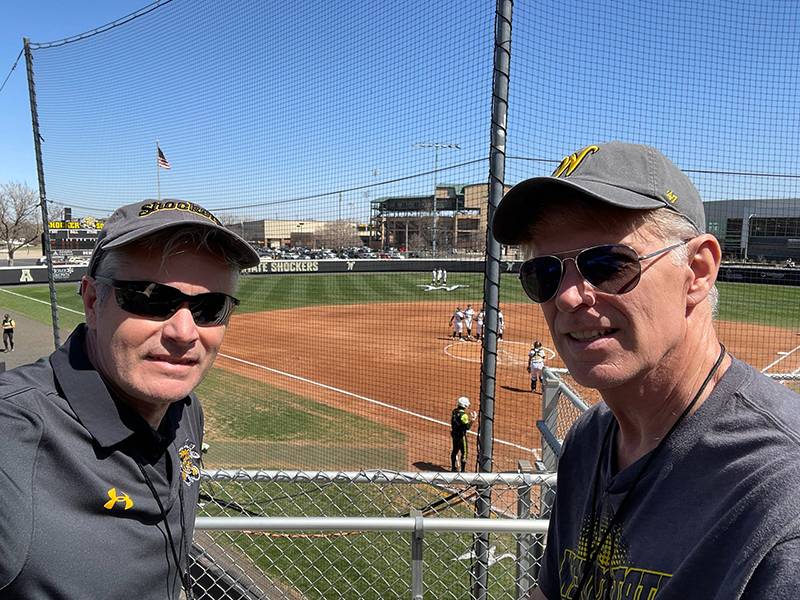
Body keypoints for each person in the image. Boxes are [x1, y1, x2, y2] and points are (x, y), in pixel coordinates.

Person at [491, 141, 800, 599]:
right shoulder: (590, 438)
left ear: (697, 271)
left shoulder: (779, 490)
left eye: (608, 264)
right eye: (545, 273)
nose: (569, 298)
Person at [0, 200, 259, 598]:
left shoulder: (185, 410)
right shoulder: (13, 437)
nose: (185, 333)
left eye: (211, 307)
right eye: (152, 298)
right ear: (91, 301)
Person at [450, 396, 477, 472]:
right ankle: (462, 471)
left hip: (454, 434)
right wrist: (473, 420)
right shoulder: (464, 416)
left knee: (454, 451)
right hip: (461, 436)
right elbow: (467, 427)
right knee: (464, 453)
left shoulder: (454, 411)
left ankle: (453, 467)